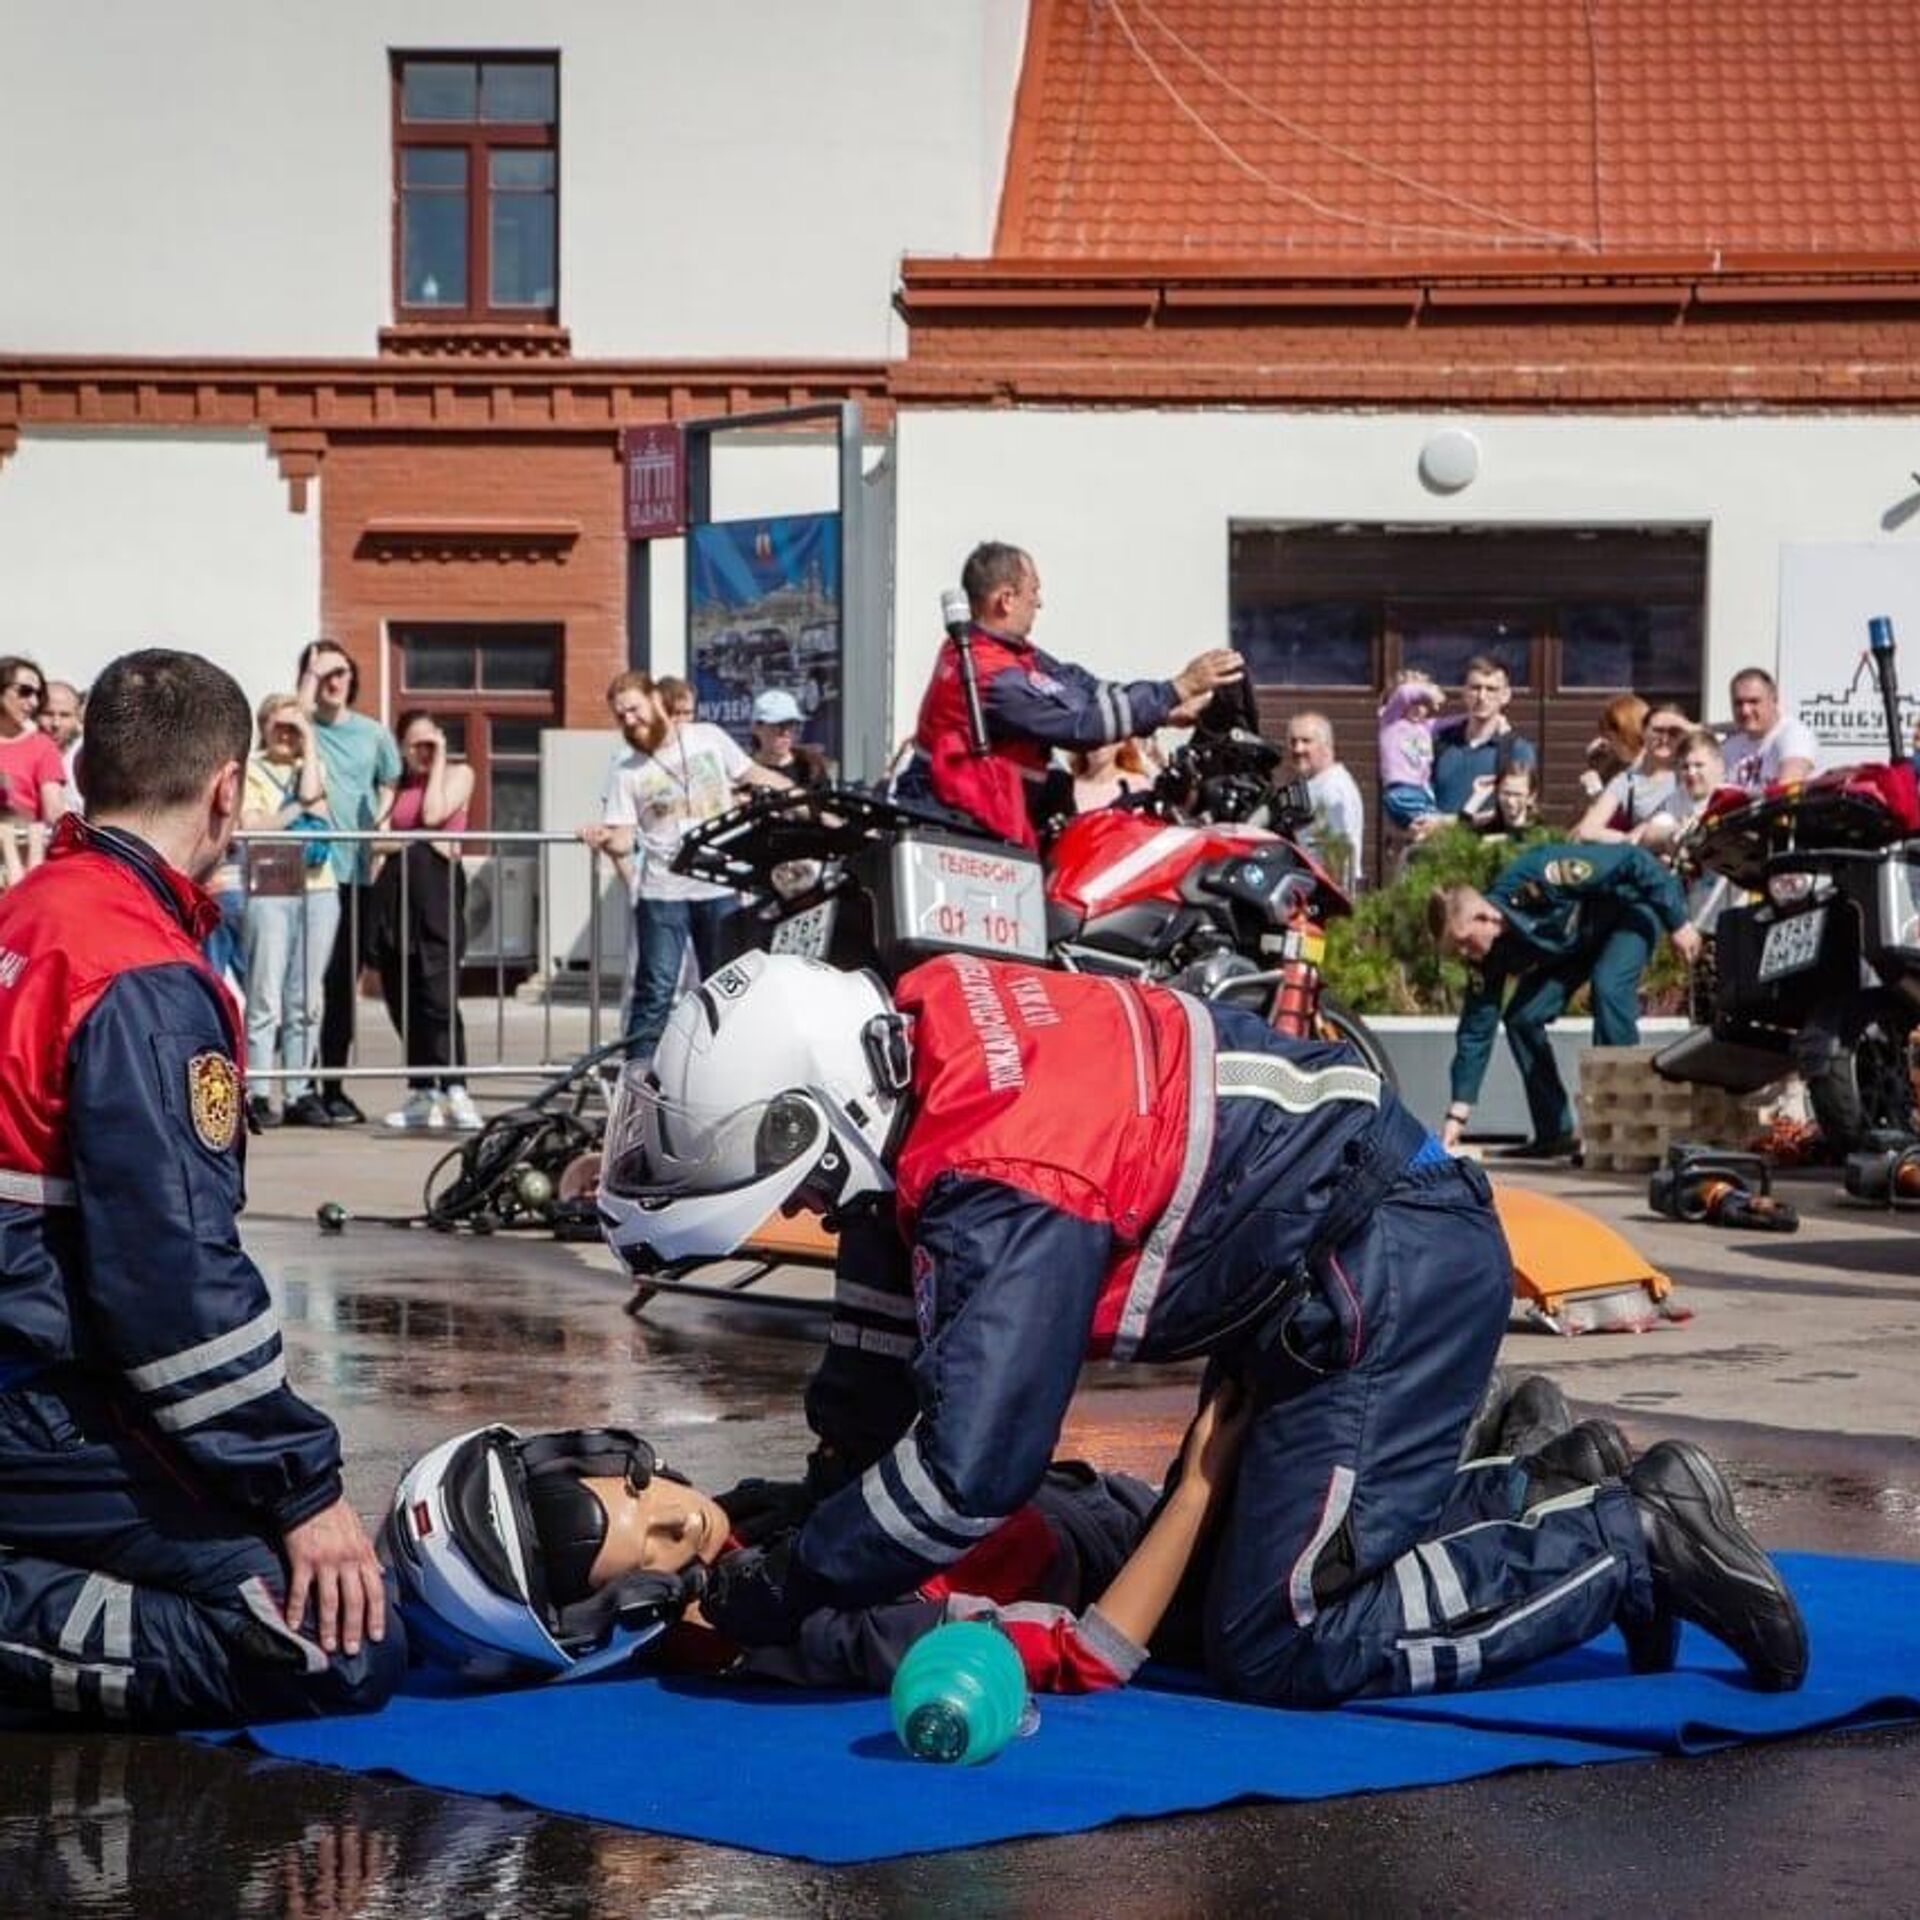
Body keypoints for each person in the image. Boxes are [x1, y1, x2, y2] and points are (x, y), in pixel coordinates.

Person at [595, 951, 1805, 1708]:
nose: (800, 1209)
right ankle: (1532, 1480)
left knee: (1284, 1640)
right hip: (1332, 1255)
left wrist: (788, 1584)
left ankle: (1632, 1538)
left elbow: (974, 1467)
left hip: (1372, 1270)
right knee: (1261, 1572)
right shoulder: (924, 1034)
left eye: (795, 1181)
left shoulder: (999, 1173)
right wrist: (826, 1491)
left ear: (826, 1108)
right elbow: (875, 1337)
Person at [0, 648, 400, 1726]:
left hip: (31, 1381)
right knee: (334, 1643)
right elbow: (168, 1278)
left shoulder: (31, 911)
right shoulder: (138, 973)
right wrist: (300, 1487)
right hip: (35, 1402)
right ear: (229, 790)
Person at [384, 1385, 1254, 1695]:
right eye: (653, 1551)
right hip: (1201, 1570)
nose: (684, 1517)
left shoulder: (736, 1546)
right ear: (629, 1611)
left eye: (643, 1487)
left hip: (1105, 1504)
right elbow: (1091, 1655)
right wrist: (1204, 1484)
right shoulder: (818, 1628)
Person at [893, 541, 1244, 848]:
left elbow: (1079, 687)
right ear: (1006, 600)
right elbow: (1081, 725)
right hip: (963, 832)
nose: (1039, 603)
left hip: (990, 825)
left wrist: (1166, 709)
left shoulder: (1001, 652)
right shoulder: (989, 675)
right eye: (1034, 592)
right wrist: (1178, 687)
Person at [1430, 844, 1704, 1160]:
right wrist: (1457, 1115)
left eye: (1464, 942)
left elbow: (1634, 859)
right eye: (1456, 950)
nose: (1464, 953)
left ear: (1484, 916)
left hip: (1627, 912)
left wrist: (1678, 922)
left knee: (1609, 987)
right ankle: (1554, 1132)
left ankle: (1621, 1122)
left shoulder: (1540, 875)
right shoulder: (1487, 955)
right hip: (1577, 946)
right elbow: (1476, 1030)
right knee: (1523, 1017)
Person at [577, 671, 788, 1062]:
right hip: (663, 894)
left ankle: (724, 1073)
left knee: (725, 987)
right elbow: (623, 838)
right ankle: (637, 1084)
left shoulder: (707, 737)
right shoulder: (627, 770)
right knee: (655, 992)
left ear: (656, 700)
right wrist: (602, 836)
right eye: (620, 716)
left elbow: (752, 774)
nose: (629, 721)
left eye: (634, 710)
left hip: (719, 887)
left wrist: (801, 797)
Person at [300, 641, 402, 1124]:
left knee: (341, 984)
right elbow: (295, 718)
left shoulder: (372, 733)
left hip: (353, 874)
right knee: (303, 985)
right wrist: (309, 679)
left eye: (341, 671)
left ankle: (333, 1084)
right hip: (306, 874)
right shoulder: (301, 726)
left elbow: (391, 782)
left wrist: (377, 828)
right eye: (322, 673)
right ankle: (297, 1086)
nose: (333, 681)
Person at [370, 711, 480, 1132]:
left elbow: (435, 814)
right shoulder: (397, 785)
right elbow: (374, 838)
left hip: (436, 889)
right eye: (414, 745)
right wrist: (411, 837)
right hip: (396, 892)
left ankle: (455, 1087)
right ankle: (421, 1089)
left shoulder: (459, 774)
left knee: (438, 993)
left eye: (428, 743)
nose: (421, 752)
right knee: (402, 992)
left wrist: (437, 765)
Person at [239, 695, 338, 1131]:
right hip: (272, 883)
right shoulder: (252, 769)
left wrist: (310, 743)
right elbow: (256, 825)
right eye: (279, 725)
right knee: (265, 993)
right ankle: (260, 1088)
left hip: (318, 887)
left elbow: (320, 802)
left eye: (294, 727)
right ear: (264, 727)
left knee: (306, 996)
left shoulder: (311, 765)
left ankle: (298, 1088)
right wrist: (298, 807)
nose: (286, 735)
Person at [1431, 656, 1537, 829]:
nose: (1482, 696)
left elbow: (1519, 814)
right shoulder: (1440, 744)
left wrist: (1452, 821)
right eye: (1475, 688)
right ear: (1464, 693)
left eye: (1491, 689)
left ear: (1505, 696)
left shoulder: (1516, 751)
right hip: (1437, 851)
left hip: (1489, 852)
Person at [1572, 699, 1688, 845]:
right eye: (1658, 731)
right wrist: (1630, 838)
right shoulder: (1622, 777)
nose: (1604, 743)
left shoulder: (1690, 771)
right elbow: (1581, 832)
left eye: (1609, 736)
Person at [0, 655, 69, 890]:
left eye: (37, 695)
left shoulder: (42, 746)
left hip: (17, 865)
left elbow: (53, 811)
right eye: (25, 691)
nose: (32, 702)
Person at [1286, 710, 1365, 885]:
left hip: (1332, 893)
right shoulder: (1315, 783)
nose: (1298, 749)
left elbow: (1340, 851)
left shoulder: (1333, 788)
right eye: (1293, 742)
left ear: (1327, 746)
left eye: (1306, 741)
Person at [1722, 668, 1816, 794]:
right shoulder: (1729, 744)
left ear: (1774, 700)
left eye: (1753, 701)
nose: (1745, 710)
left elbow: (1787, 790)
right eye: (1738, 703)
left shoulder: (1794, 735)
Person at [1376, 672, 1445, 838]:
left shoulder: (1425, 727)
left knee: (1428, 832)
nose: (1418, 708)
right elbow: (1403, 693)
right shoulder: (1390, 721)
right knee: (1437, 828)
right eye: (1413, 702)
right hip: (1401, 790)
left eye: (1423, 704)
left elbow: (1450, 722)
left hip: (1421, 792)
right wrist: (1428, 692)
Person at [750, 688, 831, 792]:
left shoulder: (811, 768)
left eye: (792, 724)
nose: (786, 733)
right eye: (778, 725)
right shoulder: (743, 771)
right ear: (756, 728)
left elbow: (825, 806)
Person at [1070, 738, 1156, 813]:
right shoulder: (1068, 788)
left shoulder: (1138, 784)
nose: (1099, 743)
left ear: (1122, 742)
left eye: (1107, 735)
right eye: (1092, 736)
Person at [39, 678, 84, 799]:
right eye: (47, 714)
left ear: (77, 717)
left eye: (65, 715)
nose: (56, 723)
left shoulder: (91, 756)